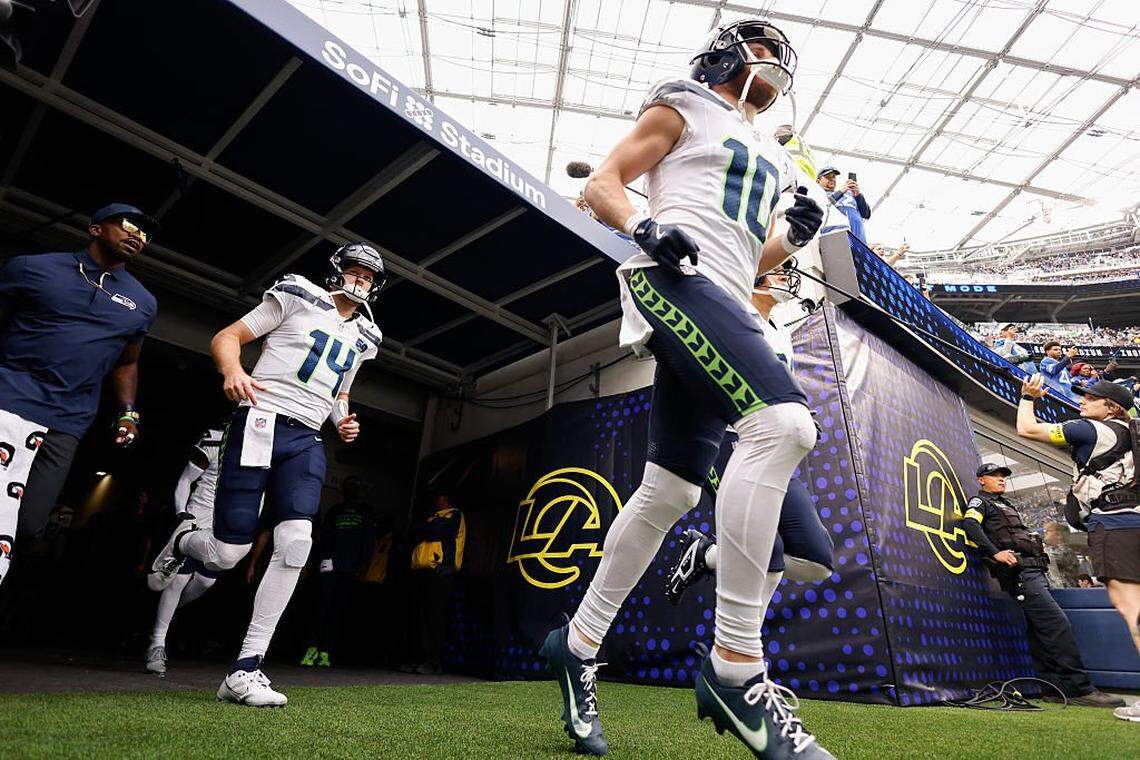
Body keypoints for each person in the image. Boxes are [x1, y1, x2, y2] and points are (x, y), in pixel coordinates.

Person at [543, 19, 830, 759]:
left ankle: (577, 642)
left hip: (722, 298)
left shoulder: (771, 150)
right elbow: (603, 184)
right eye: (761, 49)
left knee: (671, 491)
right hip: (672, 280)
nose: (773, 63)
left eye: (779, 55)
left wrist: (789, 240)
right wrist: (644, 226)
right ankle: (736, 667)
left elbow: (746, 260)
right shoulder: (686, 102)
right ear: (725, 56)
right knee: (784, 426)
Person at [148, 243, 385, 707]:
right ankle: (182, 542)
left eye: (368, 277)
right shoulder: (298, 294)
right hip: (260, 418)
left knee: (296, 544)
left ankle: (245, 669)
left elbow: (340, 392)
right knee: (228, 553)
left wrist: (343, 421)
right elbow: (228, 336)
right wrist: (233, 371)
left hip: (307, 437)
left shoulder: (367, 335)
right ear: (337, 271)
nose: (360, 280)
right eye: (354, 271)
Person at [0, 204, 158, 586]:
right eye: (128, 225)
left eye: (144, 233)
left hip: (67, 420)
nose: (137, 236)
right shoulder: (31, 268)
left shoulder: (142, 302)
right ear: (95, 228)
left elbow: (127, 363)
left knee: (30, 522)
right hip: (9, 397)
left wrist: (128, 413)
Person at [665, 261, 834, 609]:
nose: (785, 275)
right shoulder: (735, 313)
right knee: (766, 549)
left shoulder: (780, 329)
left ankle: (707, 555)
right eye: (779, 267)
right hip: (728, 440)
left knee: (816, 559)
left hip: (774, 445)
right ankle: (743, 642)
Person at [1016, 375, 1140, 723]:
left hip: (1115, 524)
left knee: (1132, 608)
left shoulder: (1091, 429)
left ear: (1111, 407)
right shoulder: (1131, 434)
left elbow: (1026, 429)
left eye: (1090, 397)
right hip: (1133, 519)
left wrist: (1028, 397)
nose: (1082, 401)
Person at [960, 463, 1120, 707]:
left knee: (1039, 631)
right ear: (981, 480)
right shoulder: (980, 502)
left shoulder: (1006, 504)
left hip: (1034, 571)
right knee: (1058, 626)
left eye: (1003, 476)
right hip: (1021, 575)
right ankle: (1080, 689)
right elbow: (970, 525)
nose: (1001, 479)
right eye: (994, 475)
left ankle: (1052, 688)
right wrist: (994, 553)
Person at [144, 428, 225, 675]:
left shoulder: (262, 446)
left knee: (206, 582)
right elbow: (184, 480)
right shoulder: (215, 439)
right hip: (197, 518)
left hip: (223, 526)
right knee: (178, 580)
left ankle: (164, 615)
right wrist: (182, 514)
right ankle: (157, 643)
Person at [300, 476, 374, 669]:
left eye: (354, 487)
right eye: (348, 487)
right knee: (321, 609)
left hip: (350, 569)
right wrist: (322, 559)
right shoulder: (335, 511)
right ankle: (311, 650)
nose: (351, 490)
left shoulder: (365, 513)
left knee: (337, 612)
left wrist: (364, 565)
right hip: (330, 567)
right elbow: (324, 538)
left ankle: (326, 652)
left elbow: (367, 541)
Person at [404, 491, 465, 675]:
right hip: (422, 571)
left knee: (435, 617)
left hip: (440, 571)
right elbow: (413, 532)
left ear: (446, 499)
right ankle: (418, 658)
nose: (436, 501)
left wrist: (425, 529)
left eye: (439, 497)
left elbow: (435, 531)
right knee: (420, 616)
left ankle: (434, 661)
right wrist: (425, 528)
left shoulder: (454, 515)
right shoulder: (432, 517)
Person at [816, 166, 870, 244]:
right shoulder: (818, 195)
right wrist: (841, 191)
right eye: (828, 177)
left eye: (834, 177)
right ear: (818, 181)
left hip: (859, 238)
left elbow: (866, 214)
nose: (832, 179)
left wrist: (858, 195)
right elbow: (824, 207)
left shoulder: (849, 194)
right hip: (836, 239)